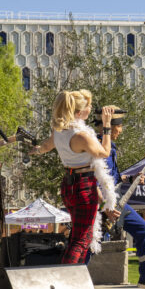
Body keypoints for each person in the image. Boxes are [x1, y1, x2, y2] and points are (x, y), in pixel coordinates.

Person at [30, 90, 118, 264]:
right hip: (84, 185)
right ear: (79, 112)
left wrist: (35, 150)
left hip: (69, 185)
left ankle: (73, 273)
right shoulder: (81, 136)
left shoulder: (59, 131)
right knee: (81, 239)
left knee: (79, 236)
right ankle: (65, 275)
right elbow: (104, 152)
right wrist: (107, 126)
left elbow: (46, 146)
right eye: (88, 106)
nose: (91, 108)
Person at [100, 117, 145, 289]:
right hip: (104, 203)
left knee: (144, 230)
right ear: (110, 127)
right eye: (119, 126)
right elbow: (96, 181)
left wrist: (131, 178)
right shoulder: (100, 147)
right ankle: (71, 278)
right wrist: (105, 206)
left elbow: (113, 178)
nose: (121, 130)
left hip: (115, 200)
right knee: (91, 242)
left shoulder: (111, 148)